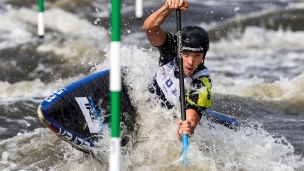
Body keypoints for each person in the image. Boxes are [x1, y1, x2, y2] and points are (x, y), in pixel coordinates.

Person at [142, 0, 212, 141]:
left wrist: (187, 128)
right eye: (186, 55)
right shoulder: (171, 49)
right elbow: (149, 28)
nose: (191, 62)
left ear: (204, 55)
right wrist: (167, 8)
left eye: (197, 56)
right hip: (145, 103)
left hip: (166, 119)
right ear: (177, 49)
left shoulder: (201, 82)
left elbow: (191, 118)